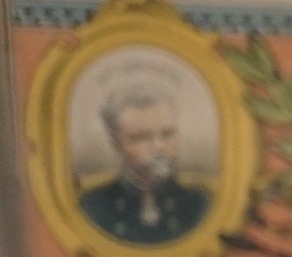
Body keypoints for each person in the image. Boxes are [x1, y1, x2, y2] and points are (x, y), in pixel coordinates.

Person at [77, 85, 211, 246]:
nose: (159, 147)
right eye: (143, 137)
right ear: (116, 144)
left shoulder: (200, 203)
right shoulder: (93, 205)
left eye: (168, 134)